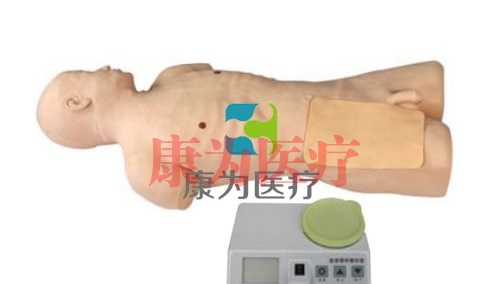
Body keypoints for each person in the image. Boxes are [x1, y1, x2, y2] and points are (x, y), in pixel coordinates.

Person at [37, 61, 452, 209]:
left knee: (372, 94)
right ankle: (425, 144)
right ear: (78, 103)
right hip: (307, 143)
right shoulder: (141, 164)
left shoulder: (170, 76)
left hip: (310, 96)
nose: (103, 66)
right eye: (88, 73)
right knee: (416, 149)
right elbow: (182, 195)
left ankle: (417, 108)